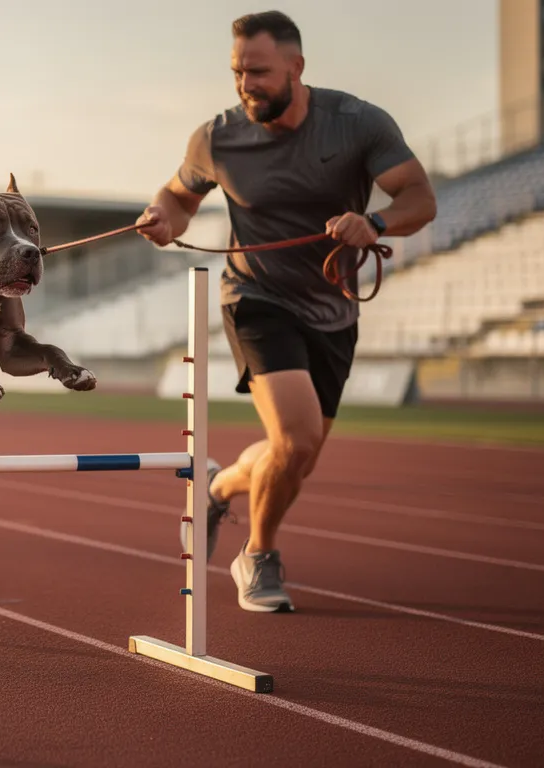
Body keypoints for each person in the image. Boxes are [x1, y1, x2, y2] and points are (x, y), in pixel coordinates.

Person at [136, 10, 437, 613]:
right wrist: (166, 218)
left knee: (294, 457)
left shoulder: (358, 123)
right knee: (295, 441)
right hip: (256, 298)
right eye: (237, 72)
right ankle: (259, 555)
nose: (245, 84)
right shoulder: (217, 138)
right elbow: (177, 196)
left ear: (296, 67)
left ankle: (217, 486)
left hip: (333, 309)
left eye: (259, 72)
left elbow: (420, 198)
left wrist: (374, 222)